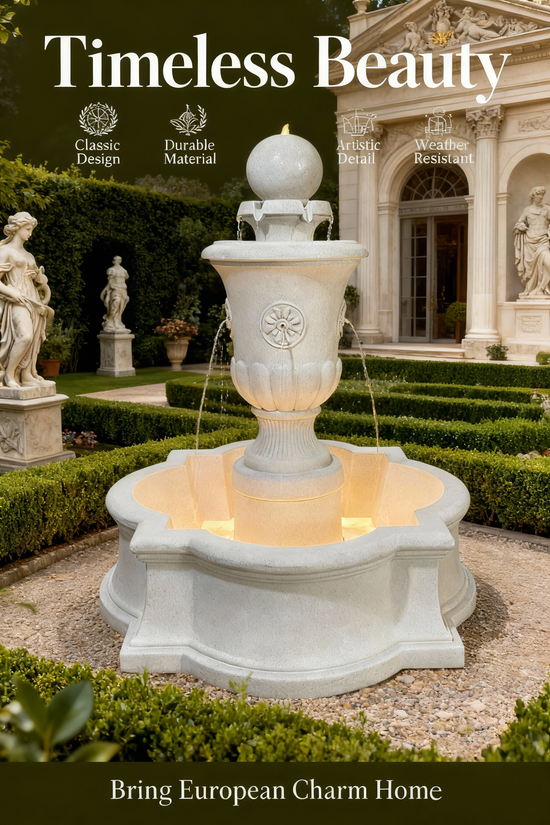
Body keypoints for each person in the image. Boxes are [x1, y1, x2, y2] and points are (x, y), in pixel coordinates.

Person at [0, 212, 54, 388]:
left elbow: (38, 283)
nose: (30, 233)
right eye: (28, 229)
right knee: (25, 336)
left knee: (34, 340)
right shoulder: (5, 251)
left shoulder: (29, 255)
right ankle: (9, 374)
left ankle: (27, 373)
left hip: (33, 299)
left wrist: (39, 278)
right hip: (17, 298)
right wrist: (11, 292)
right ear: (17, 228)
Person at [514, 186, 550, 298]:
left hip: (543, 240)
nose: (541, 197)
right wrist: (521, 226)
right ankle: (535, 289)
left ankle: (542, 288)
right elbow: (518, 224)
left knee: (548, 262)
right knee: (532, 269)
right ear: (533, 196)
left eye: (543, 195)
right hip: (530, 242)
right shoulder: (527, 210)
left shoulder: (547, 209)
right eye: (539, 195)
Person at [100, 255, 130, 332]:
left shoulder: (124, 270)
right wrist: (106, 290)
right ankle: (110, 320)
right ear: (113, 261)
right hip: (115, 288)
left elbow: (125, 279)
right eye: (116, 260)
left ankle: (117, 322)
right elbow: (110, 281)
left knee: (121, 308)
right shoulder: (111, 270)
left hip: (123, 289)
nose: (118, 261)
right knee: (116, 302)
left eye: (119, 260)